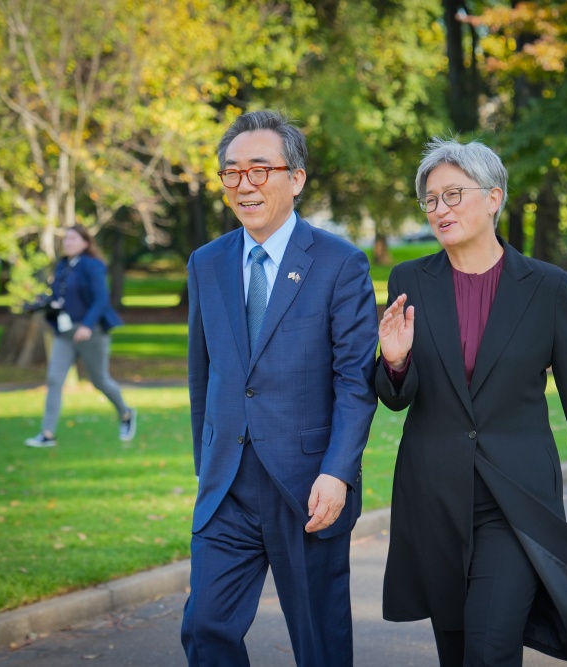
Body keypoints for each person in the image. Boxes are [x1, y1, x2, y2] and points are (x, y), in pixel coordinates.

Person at [376, 138, 567, 666]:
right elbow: (395, 397)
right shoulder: (409, 280)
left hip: (516, 501)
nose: (440, 210)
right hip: (435, 498)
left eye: (453, 195)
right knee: (456, 651)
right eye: (430, 200)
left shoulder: (547, 287)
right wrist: (395, 361)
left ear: (494, 198)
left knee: (491, 648)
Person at [180, 110, 378, 667]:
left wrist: (338, 472)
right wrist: (207, 463)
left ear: (296, 178)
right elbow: (204, 374)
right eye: (232, 172)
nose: (245, 184)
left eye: (259, 169)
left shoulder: (340, 263)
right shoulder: (206, 263)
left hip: (308, 486)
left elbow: (355, 383)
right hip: (228, 490)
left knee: (320, 644)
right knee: (206, 628)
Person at [24, 224, 136, 448]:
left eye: (73, 239)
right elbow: (60, 297)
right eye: (66, 239)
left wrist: (87, 325)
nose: (67, 242)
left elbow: (101, 299)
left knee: (99, 380)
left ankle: (126, 413)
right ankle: (47, 434)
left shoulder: (93, 265)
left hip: (91, 333)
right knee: (54, 380)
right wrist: (43, 304)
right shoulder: (63, 266)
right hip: (64, 333)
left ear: (85, 243)